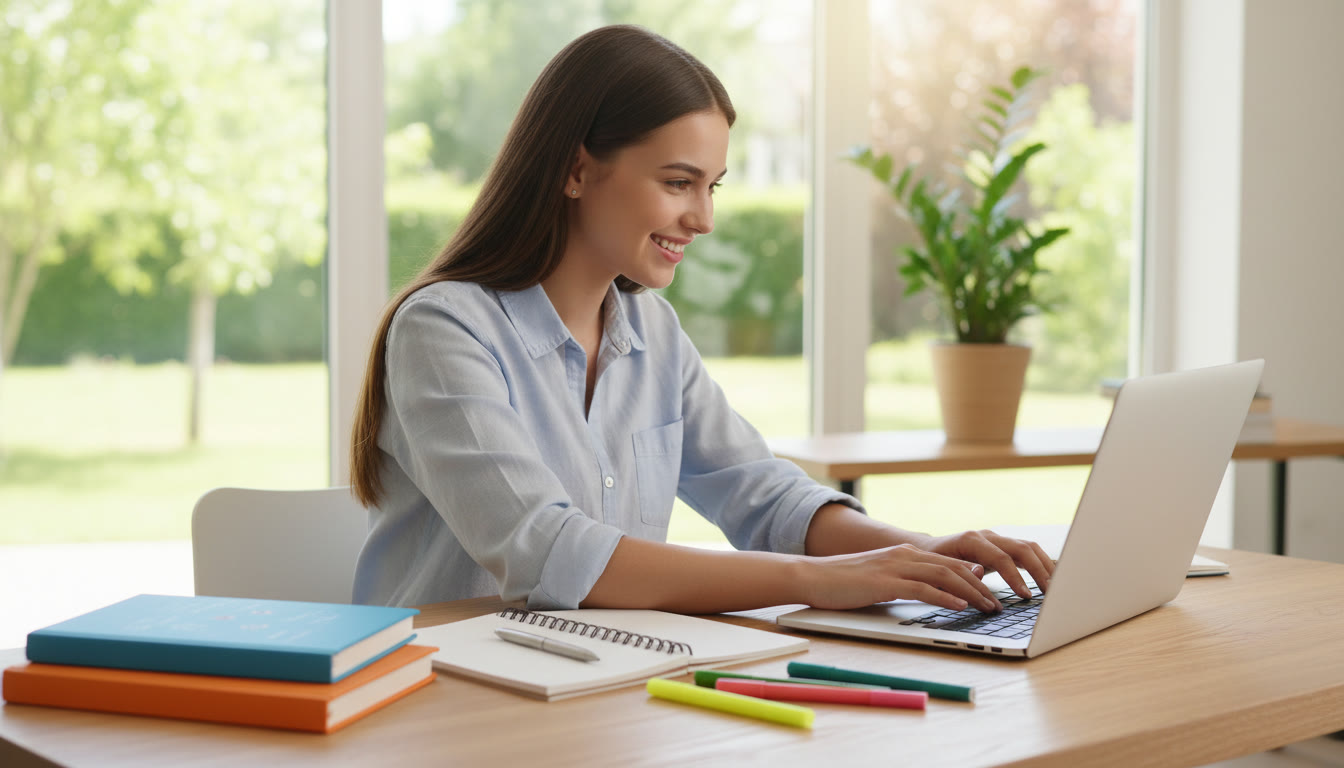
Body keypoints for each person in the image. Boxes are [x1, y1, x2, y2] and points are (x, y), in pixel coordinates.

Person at [348, 25, 1053, 615]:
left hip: (599, 686)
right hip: (448, 705)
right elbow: (548, 554)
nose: (704, 218)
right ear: (575, 170)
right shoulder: (443, 331)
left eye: (711, 187)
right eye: (677, 183)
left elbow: (761, 495)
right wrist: (822, 581)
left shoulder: (650, 331)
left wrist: (921, 551)